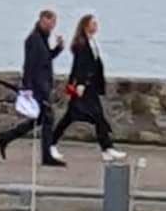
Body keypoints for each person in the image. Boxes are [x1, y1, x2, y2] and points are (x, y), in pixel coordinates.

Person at [51, 14, 126, 162]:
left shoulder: (91, 42)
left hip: (90, 87)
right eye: (93, 23)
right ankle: (51, 143)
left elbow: (95, 65)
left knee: (93, 117)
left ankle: (106, 148)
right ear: (86, 26)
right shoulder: (81, 44)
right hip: (83, 88)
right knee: (74, 117)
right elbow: (79, 66)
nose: (96, 25)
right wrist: (79, 84)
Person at [0, 10, 66, 167]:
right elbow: (29, 65)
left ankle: (6, 137)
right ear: (43, 20)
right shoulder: (33, 39)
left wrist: (58, 48)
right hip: (37, 86)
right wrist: (27, 87)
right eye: (51, 22)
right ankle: (47, 156)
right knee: (48, 119)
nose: (53, 26)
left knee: (41, 118)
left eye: (54, 23)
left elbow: (46, 59)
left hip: (44, 85)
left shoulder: (43, 38)